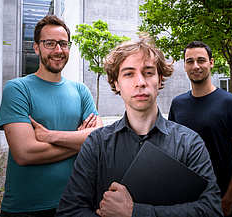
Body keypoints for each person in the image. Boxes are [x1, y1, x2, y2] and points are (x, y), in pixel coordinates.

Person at [55, 37, 223, 217]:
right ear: (116, 84)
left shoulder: (190, 143)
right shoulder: (96, 144)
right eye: (129, 73)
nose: (140, 82)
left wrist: (132, 212)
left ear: (160, 80)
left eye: (148, 72)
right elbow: (68, 211)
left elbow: (212, 210)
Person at [0, 15, 103, 216]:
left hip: (75, 203)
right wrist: (78, 141)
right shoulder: (18, 89)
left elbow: (97, 139)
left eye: (63, 44)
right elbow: (25, 153)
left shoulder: (81, 90)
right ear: (36, 47)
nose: (58, 50)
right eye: (50, 43)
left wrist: (50, 136)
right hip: (26, 208)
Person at [168, 41, 232, 217]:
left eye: (201, 60)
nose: (195, 66)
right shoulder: (177, 104)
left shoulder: (230, 104)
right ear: (184, 65)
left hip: (219, 199)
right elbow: (172, 149)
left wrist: (229, 199)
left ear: (211, 63)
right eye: (190, 61)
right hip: (184, 198)